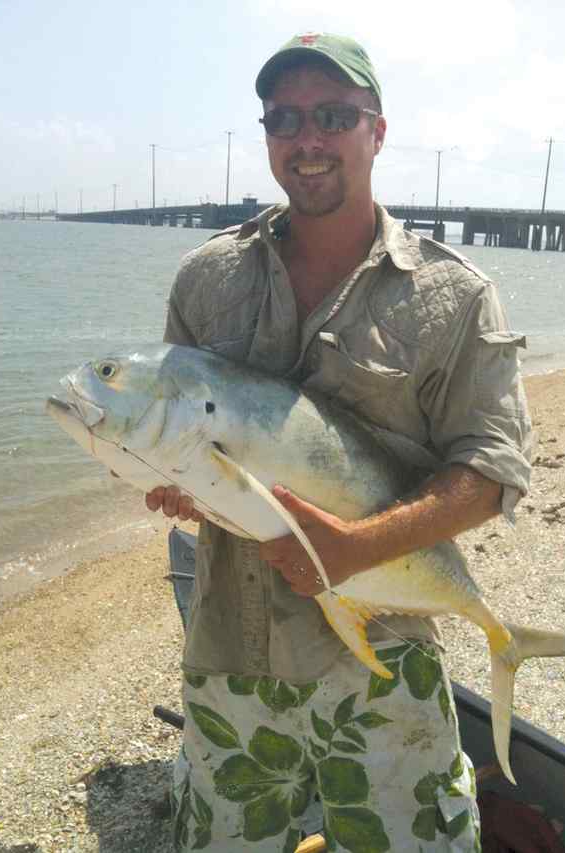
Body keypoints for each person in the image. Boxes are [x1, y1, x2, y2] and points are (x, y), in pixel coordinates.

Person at [146, 33, 532, 852]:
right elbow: (190, 448)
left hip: (383, 655)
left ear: (377, 131)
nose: (307, 139)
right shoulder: (204, 279)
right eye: (284, 118)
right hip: (228, 649)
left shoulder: (455, 297)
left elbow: (493, 470)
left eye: (333, 115)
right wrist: (175, 483)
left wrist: (356, 547)